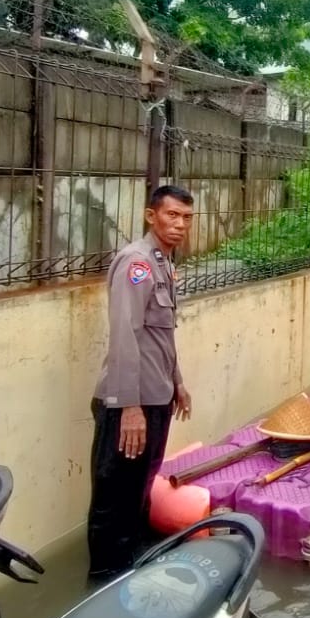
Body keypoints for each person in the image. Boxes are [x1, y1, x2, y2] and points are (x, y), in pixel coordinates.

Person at [87, 184, 195, 584]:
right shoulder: (137, 263)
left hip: (156, 397)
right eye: (172, 215)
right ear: (152, 216)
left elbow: (161, 336)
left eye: (186, 217)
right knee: (113, 500)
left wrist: (177, 382)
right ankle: (101, 579)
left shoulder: (163, 263)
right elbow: (125, 335)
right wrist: (129, 407)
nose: (180, 224)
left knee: (139, 490)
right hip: (128, 404)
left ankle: (129, 570)